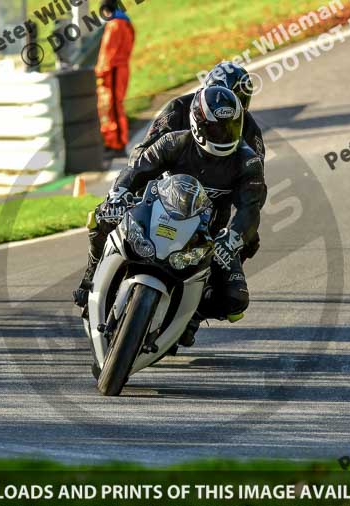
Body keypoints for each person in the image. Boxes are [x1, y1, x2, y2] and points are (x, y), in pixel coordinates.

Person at [74, 87, 267, 346]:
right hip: (157, 210)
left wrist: (231, 240)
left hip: (205, 232)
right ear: (199, 124)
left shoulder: (248, 162)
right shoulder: (175, 142)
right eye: (218, 128)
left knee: (235, 300)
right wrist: (118, 196)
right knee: (101, 217)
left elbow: (250, 209)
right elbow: (136, 170)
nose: (226, 135)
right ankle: (91, 279)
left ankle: (191, 315)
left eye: (231, 128)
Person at [128, 61, 265, 261]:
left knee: (248, 240)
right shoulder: (178, 108)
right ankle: (91, 278)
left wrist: (239, 229)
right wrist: (134, 191)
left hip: (214, 203)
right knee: (109, 217)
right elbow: (144, 152)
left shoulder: (250, 130)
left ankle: (221, 286)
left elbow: (256, 183)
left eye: (239, 99)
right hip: (166, 192)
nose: (227, 106)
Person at [95, 0, 135, 159]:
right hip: (119, 68)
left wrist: (99, 72)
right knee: (112, 106)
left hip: (113, 69)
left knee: (112, 107)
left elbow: (107, 53)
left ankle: (117, 143)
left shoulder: (115, 24)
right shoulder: (124, 22)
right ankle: (114, 142)